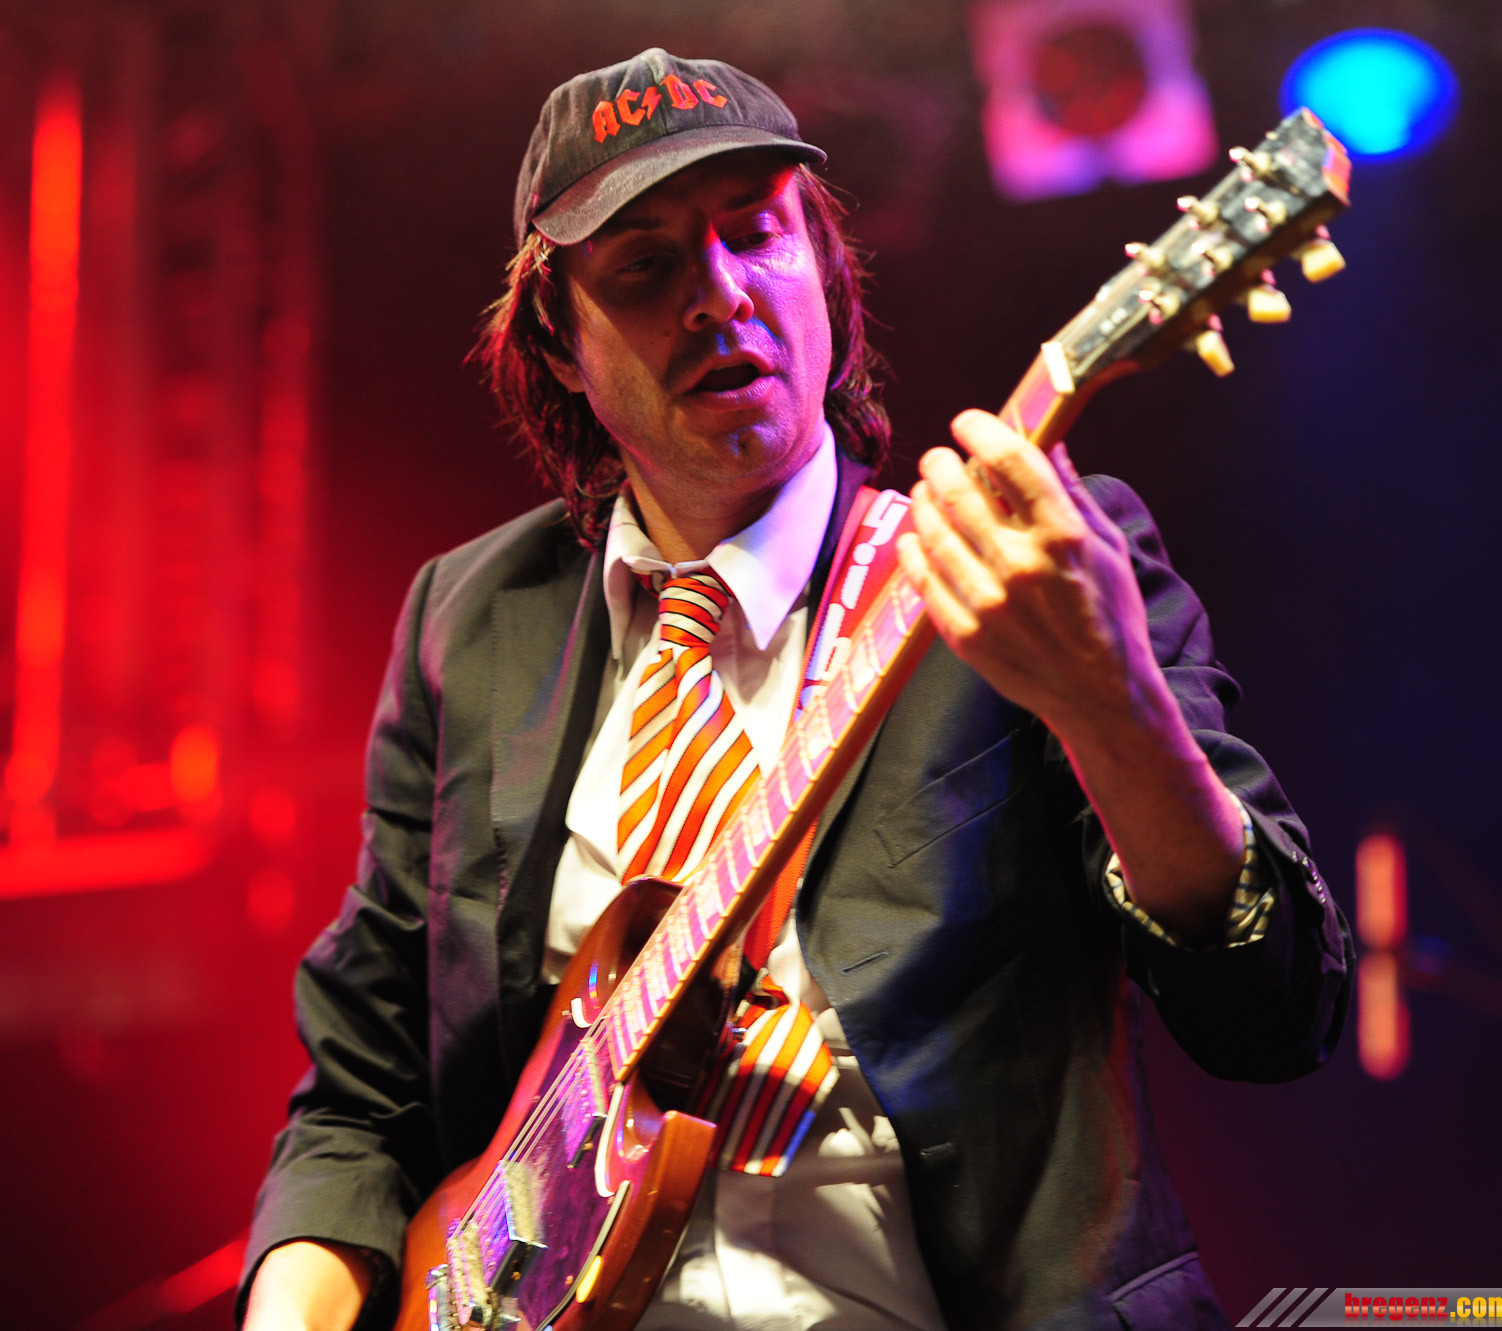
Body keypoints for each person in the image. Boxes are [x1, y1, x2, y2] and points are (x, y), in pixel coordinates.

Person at [238, 48, 1352, 1331]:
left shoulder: (1024, 563)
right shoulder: (472, 617)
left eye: (755, 231)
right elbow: (361, 1090)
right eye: (644, 268)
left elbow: (1273, 1012)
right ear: (559, 342)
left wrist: (1113, 705)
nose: (719, 293)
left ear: (821, 263)